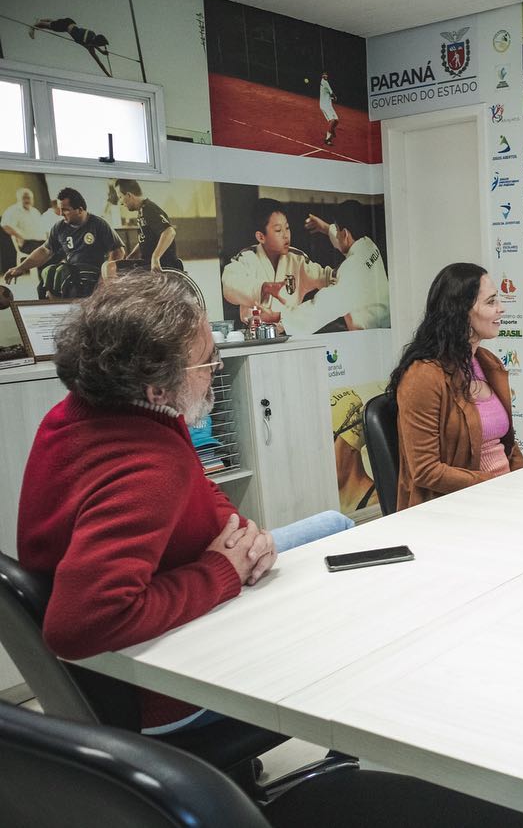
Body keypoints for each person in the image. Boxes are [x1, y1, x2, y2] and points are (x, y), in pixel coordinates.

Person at [15, 274, 352, 733]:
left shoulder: (88, 413)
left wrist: (241, 533)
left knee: (335, 525)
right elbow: (76, 627)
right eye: (206, 361)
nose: (215, 367)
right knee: (345, 621)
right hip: (166, 694)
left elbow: (196, 487)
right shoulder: (149, 467)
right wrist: (222, 572)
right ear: (158, 387)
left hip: (142, 644)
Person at [387, 263, 523, 508]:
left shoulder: (487, 363)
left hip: (502, 495)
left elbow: (508, 447)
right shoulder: (423, 376)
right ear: (462, 312)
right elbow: (426, 470)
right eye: (491, 301)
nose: (501, 309)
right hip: (457, 507)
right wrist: (494, 485)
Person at [274, 200, 390, 333]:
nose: (337, 234)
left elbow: (324, 306)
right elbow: (346, 243)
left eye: (337, 229)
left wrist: (284, 323)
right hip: (385, 324)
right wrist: (326, 228)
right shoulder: (369, 246)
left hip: (369, 333)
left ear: (345, 233)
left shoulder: (350, 269)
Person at [221, 198, 332, 326]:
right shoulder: (247, 258)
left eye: (287, 228)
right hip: (255, 332)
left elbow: (327, 278)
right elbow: (229, 284)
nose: (286, 235)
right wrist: (263, 288)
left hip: (289, 330)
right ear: (261, 237)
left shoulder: (297, 259)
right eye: (278, 230)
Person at [4, 187, 123, 298]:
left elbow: (118, 251)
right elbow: (45, 250)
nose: (60, 214)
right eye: (60, 209)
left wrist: (106, 277)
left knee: (63, 275)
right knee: (47, 276)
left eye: (65, 210)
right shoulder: (59, 227)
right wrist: (21, 267)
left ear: (80, 210)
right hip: (73, 270)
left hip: (94, 271)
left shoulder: (98, 224)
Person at [115, 179, 183, 272]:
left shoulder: (149, 209)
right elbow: (146, 240)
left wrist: (155, 258)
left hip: (162, 264)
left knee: (110, 268)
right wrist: (132, 255)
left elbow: (169, 231)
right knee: (110, 267)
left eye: (120, 197)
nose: (121, 202)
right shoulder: (142, 211)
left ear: (129, 195)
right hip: (146, 263)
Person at [30, 17, 111, 75]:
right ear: (96, 42)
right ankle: (35, 25)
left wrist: (102, 52)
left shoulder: (91, 41)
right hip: (66, 25)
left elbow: (98, 58)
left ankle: (40, 20)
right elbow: (99, 61)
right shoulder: (89, 41)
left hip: (69, 23)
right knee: (50, 26)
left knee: (53, 24)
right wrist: (108, 74)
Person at [1, 188, 48, 273]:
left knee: (56, 249)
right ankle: (44, 279)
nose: (27, 200)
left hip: (41, 241)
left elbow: (43, 228)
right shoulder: (13, 210)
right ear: (19, 199)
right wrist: (19, 236)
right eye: (24, 197)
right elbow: (5, 225)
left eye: (29, 198)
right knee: (43, 252)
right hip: (27, 243)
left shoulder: (35, 211)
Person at [319, 72, 339, 146]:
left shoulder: (323, 81)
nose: (325, 75)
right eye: (324, 74)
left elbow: (327, 94)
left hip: (329, 105)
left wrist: (331, 98)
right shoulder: (325, 82)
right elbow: (331, 93)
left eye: (326, 74)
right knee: (332, 120)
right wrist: (335, 97)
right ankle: (327, 139)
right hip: (324, 105)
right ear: (322, 76)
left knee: (337, 120)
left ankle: (331, 129)